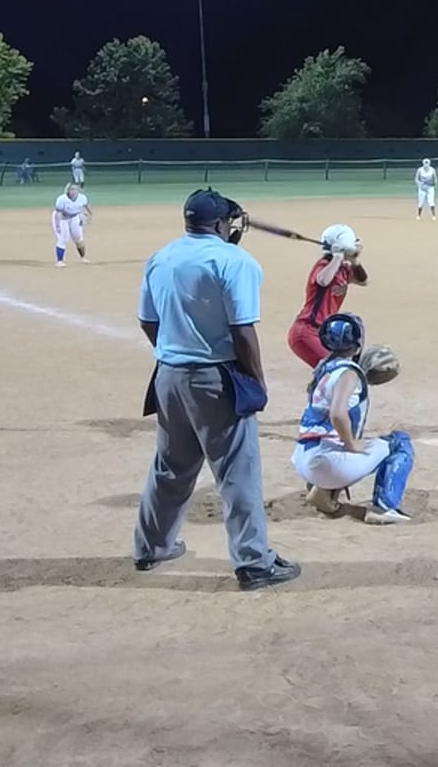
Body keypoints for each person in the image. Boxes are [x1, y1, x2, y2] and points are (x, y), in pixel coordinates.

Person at [133, 189, 299, 591]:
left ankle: (152, 547)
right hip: (216, 379)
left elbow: (148, 321)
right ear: (222, 224)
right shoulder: (234, 261)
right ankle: (254, 563)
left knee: (170, 466)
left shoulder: (161, 257)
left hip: (168, 375)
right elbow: (242, 330)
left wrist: (175, 352)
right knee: (238, 473)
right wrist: (256, 380)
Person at [293, 313, 413, 524]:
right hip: (326, 463)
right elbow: (338, 414)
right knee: (399, 443)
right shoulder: (349, 373)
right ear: (357, 344)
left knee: (339, 442)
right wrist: (351, 445)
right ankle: (383, 508)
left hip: (303, 458)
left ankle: (323, 490)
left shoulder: (324, 367)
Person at [287, 224, 368, 367]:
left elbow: (363, 281)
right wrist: (338, 256)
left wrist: (355, 262)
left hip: (323, 332)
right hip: (306, 332)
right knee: (337, 368)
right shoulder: (323, 265)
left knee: (340, 369)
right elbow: (323, 281)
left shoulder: (344, 268)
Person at [52, 183, 91, 267]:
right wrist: (58, 225)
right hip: (62, 218)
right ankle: (59, 261)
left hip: (74, 217)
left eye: (75, 189)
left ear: (78, 190)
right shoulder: (62, 199)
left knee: (78, 238)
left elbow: (85, 207)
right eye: (71, 189)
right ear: (68, 190)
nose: (73, 191)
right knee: (63, 238)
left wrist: (88, 215)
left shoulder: (82, 198)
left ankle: (83, 257)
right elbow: (58, 213)